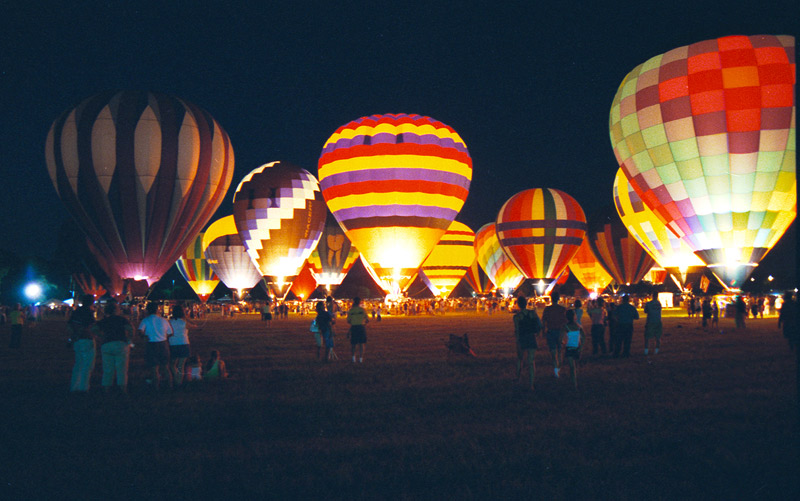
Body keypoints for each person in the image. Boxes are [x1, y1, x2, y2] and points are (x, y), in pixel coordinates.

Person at [94, 300, 134, 393]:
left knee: (107, 368)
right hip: (121, 344)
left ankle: (106, 388)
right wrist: (129, 339)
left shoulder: (104, 321)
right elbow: (131, 329)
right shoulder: (122, 319)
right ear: (116, 310)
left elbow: (94, 328)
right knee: (122, 369)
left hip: (107, 343)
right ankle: (122, 388)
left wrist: (100, 336)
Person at [138, 302, 173, 389]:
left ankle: (156, 387)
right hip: (163, 344)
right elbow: (170, 332)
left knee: (154, 368)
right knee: (165, 367)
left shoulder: (145, 320)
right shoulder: (164, 320)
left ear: (147, 310)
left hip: (151, 344)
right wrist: (163, 336)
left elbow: (140, 331)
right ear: (157, 309)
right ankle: (170, 386)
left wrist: (144, 336)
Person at [67, 295, 97, 392]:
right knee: (87, 365)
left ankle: (74, 386)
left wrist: (73, 337)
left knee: (78, 364)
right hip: (87, 339)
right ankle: (83, 387)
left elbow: (70, 325)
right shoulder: (88, 312)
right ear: (92, 302)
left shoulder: (77, 311)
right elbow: (90, 326)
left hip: (77, 340)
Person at [513, 297, 541, 390]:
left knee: (520, 359)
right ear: (526, 303)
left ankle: (518, 379)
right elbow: (539, 325)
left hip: (522, 338)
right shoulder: (533, 313)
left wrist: (517, 342)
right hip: (531, 337)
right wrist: (537, 334)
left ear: (518, 305)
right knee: (531, 361)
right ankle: (531, 384)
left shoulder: (517, 317)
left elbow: (517, 330)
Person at [541, 291, 568, 378]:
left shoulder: (547, 309)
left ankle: (556, 370)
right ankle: (558, 369)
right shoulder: (562, 309)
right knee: (560, 351)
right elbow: (565, 322)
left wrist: (543, 331)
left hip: (550, 332)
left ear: (551, 298)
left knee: (553, 352)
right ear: (559, 298)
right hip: (560, 332)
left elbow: (543, 321)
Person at [169, 303, 195, 387]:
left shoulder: (170, 322)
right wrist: (186, 318)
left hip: (173, 344)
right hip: (184, 344)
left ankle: (177, 378)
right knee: (181, 365)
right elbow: (194, 326)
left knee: (172, 364)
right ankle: (179, 381)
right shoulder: (184, 322)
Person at [563, 309, 585, 389]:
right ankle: (574, 380)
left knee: (572, 366)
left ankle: (574, 382)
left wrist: (562, 343)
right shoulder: (578, 326)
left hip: (569, 347)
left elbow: (561, 337)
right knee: (575, 365)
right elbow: (584, 337)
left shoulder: (565, 326)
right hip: (577, 347)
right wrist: (581, 346)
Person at [346, 296, 369, 363]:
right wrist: (363, 323)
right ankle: (361, 359)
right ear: (360, 302)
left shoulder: (351, 310)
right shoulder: (362, 310)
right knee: (361, 344)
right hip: (361, 327)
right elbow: (367, 320)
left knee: (353, 344)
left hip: (353, 327)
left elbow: (348, 321)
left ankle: (353, 358)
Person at [643, 292, 662, 356]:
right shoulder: (659, 304)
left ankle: (646, 351)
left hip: (650, 321)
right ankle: (656, 351)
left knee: (647, 337)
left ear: (652, 296)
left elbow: (645, 311)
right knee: (657, 337)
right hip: (658, 321)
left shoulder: (649, 303)